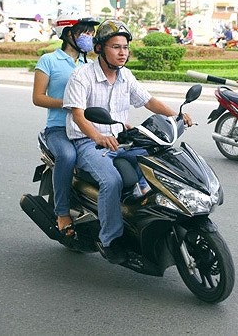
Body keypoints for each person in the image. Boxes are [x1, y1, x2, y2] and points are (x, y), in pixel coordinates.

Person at [63, 19, 192, 264]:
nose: (122, 53)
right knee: (111, 180)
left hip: (121, 140)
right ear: (100, 48)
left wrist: (174, 114)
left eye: (125, 47)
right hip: (89, 143)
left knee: (156, 163)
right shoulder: (82, 76)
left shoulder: (126, 77)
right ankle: (110, 240)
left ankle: (144, 218)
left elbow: (148, 101)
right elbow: (78, 115)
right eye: (115, 47)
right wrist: (99, 136)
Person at [32, 11, 100, 239]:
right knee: (68, 157)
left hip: (85, 127)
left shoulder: (89, 64)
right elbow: (38, 97)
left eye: (91, 32)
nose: (89, 36)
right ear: (68, 33)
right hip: (58, 129)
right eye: (84, 31)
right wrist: (68, 104)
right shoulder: (49, 60)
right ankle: (62, 212)